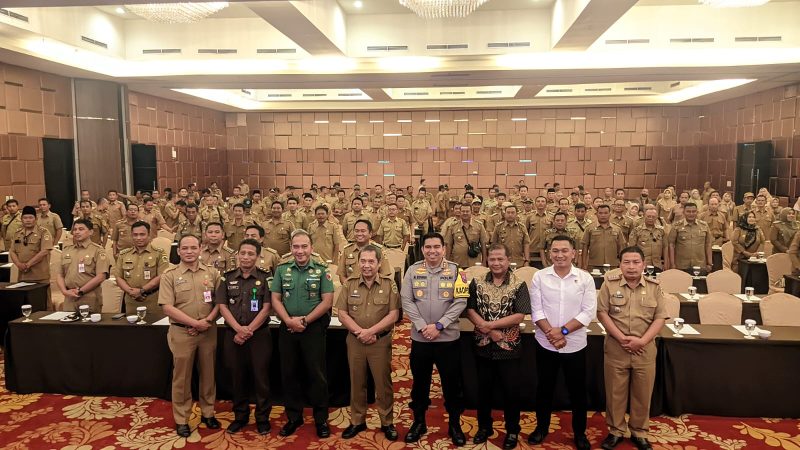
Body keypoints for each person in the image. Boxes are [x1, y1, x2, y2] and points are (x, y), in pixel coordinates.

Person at [529, 235, 596, 450]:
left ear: (573, 253)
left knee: (577, 391)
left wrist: (564, 331)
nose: (559, 255)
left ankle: (579, 433)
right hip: (545, 342)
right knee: (544, 388)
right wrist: (551, 333)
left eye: (564, 251)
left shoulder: (585, 278)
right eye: (555, 251)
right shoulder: (539, 277)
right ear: (549, 253)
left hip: (574, 344)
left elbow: (588, 312)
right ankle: (541, 428)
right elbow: (536, 310)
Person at [597, 247, 668, 450]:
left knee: (642, 393)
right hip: (616, 348)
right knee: (615, 393)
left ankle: (639, 432)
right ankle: (615, 431)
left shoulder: (654, 287)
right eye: (626, 262)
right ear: (620, 265)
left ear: (643, 265)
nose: (631, 266)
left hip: (644, 349)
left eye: (636, 262)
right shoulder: (609, 285)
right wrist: (621, 338)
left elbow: (661, 317)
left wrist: (643, 341)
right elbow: (602, 313)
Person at [401, 232, 467, 446]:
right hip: (421, 339)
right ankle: (419, 422)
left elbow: (461, 301)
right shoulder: (412, 270)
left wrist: (439, 325)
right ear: (422, 249)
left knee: (451, 385)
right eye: (428, 247)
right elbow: (406, 300)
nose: (432, 251)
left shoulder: (458, 271)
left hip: (448, 339)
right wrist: (422, 326)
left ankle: (454, 424)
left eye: (436, 247)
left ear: (444, 249)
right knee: (420, 384)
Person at [465, 243, 530, 450]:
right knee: (483, 390)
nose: (496, 263)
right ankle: (484, 427)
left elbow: (520, 314)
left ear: (508, 259)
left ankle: (512, 430)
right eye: (492, 259)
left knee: (511, 392)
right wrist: (485, 328)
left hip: (508, 346)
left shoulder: (519, 284)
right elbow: (470, 309)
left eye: (500, 259)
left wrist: (490, 326)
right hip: (482, 345)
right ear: (487, 261)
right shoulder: (477, 282)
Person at [270, 230, 334, 438]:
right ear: (291, 249)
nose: (300, 251)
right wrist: (288, 320)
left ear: (311, 248)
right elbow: (276, 299)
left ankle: (321, 419)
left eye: (304, 246)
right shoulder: (282, 269)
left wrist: (305, 320)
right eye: (296, 247)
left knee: (317, 374)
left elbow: (327, 301)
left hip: (313, 327)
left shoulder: (322, 270)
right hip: (287, 327)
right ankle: (294, 417)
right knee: (289, 373)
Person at [158, 234, 221, 437]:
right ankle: (181, 419)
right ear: (178, 251)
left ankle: (208, 413)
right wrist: (194, 323)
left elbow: (220, 303)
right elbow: (167, 307)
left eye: (193, 248)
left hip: (208, 331)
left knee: (208, 374)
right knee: (182, 378)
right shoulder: (170, 275)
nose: (189, 252)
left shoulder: (212, 273)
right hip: (182, 332)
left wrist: (207, 322)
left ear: (200, 248)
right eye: (185, 248)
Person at [337, 244, 400, 441]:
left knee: (383, 384)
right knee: (357, 382)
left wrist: (371, 332)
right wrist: (360, 333)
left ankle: (387, 422)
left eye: (371, 261)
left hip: (379, 342)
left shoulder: (389, 284)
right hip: (355, 341)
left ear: (379, 263)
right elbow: (342, 313)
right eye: (363, 261)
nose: (366, 265)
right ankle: (357, 421)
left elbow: (394, 315)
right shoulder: (349, 284)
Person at [217, 239, 273, 435]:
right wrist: (238, 329)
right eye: (243, 253)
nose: (246, 257)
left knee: (261, 378)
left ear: (258, 257)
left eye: (251, 254)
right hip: (233, 335)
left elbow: (267, 308)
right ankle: (240, 417)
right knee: (237, 377)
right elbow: (222, 306)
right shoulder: (227, 277)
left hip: (259, 336)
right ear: (237, 255)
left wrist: (248, 330)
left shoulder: (266, 278)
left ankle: (262, 418)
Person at [113, 221, 168, 315]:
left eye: (142, 234)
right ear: (131, 236)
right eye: (135, 235)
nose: (139, 238)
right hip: (131, 301)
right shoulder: (124, 254)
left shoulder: (159, 253)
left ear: (149, 235)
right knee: (132, 328)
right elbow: (118, 277)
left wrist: (142, 290)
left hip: (153, 299)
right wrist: (131, 292)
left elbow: (162, 276)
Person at [56, 218, 110, 312]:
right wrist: (64, 291)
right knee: (68, 325)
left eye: (81, 229)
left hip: (89, 297)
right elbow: (59, 274)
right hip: (69, 297)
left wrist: (80, 291)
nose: (77, 232)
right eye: (75, 229)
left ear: (91, 232)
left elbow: (101, 276)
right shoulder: (67, 250)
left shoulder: (98, 250)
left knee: (88, 326)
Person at [9, 206, 53, 302]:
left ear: (36, 219)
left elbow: (44, 251)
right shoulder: (17, 233)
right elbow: (12, 251)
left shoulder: (43, 232)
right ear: (21, 219)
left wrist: (28, 264)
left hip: (39, 277)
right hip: (23, 277)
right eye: (25, 218)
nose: (28, 220)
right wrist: (18, 264)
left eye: (30, 217)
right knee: (25, 304)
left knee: (43, 303)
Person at [337, 219, 393, 284]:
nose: (359, 234)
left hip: (373, 290)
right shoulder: (347, 250)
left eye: (363, 231)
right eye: (357, 231)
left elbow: (385, 274)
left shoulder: (379, 250)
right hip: (352, 290)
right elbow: (342, 275)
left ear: (370, 233)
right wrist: (350, 288)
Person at [667, 203, 712, 273]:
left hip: (700, 265)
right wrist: (672, 264)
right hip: (681, 265)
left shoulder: (704, 226)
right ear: (683, 212)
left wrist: (709, 263)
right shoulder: (676, 226)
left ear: (697, 212)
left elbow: (708, 244)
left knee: (699, 284)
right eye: (688, 211)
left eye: (693, 211)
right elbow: (671, 245)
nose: (691, 214)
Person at [445, 200, 489, 268]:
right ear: (460, 212)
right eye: (463, 211)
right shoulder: (453, 226)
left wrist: (484, 262)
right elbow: (449, 245)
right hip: (458, 262)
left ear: (471, 212)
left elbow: (483, 245)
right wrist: (447, 262)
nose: (465, 213)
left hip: (474, 262)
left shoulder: (479, 225)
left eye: (467, 211)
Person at [581, 205, 625, 271]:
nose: (603, 215)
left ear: (610, 214)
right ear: (596, 214)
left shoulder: (617, 229)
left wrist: (622, 263)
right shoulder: (590, 228)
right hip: (594, 265)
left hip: (612, 265)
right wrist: (584, 265)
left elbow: (621, 248)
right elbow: (585, 247)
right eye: (600, 213)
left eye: (605, 213)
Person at [628, 205, 667, 272]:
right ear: (644, 217)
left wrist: (666, 263)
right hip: (642, 265)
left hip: (657, 265)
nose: (650, 218)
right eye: (648, 216)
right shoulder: (637, 230)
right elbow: (631, 249)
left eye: (653, 217)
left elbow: (665, 247)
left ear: (656, 218)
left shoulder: (661, 230)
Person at [490, 203, 530, 269]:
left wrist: (527, 260)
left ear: (516, 214)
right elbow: (493, 245)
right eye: (508, 212)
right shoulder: (498, 227)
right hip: (502, 263)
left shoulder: (522, 227)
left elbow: (526, 244)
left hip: (519, 262)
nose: (510, 215)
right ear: (504, 214)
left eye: (512, 212)